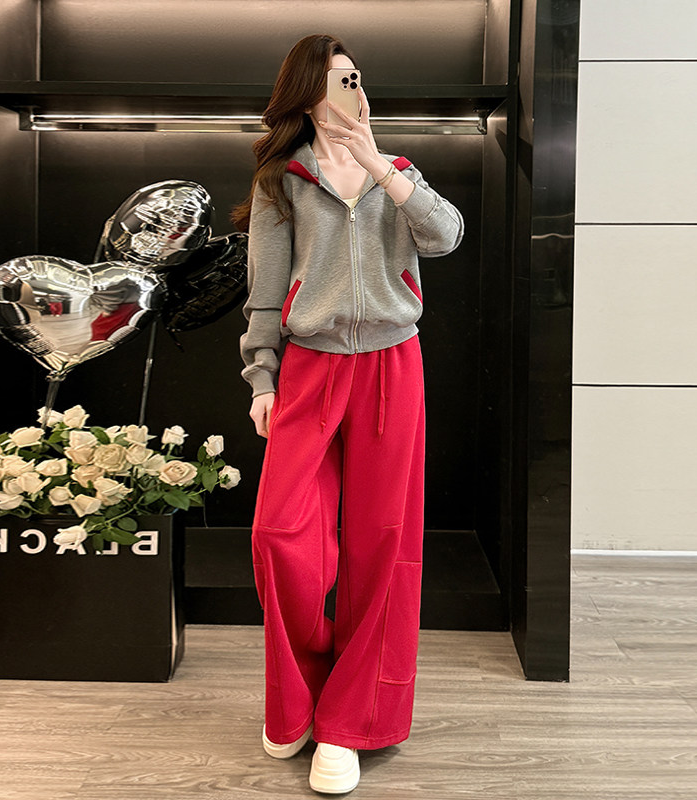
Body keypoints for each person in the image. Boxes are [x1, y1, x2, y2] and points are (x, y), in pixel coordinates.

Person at [231, 34, 464, 794]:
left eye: (357, 78)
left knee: (383, 544)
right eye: (337, 80)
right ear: (307, 96)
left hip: (393, 367)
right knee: (280, 534)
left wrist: (378, 167)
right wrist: (262, 379)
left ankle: (349, 723)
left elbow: (445, 236)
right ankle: (299, 697)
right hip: (310, 368)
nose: (353, 91)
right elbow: (266, 291)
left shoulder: (397, 172)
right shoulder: (283, 182)